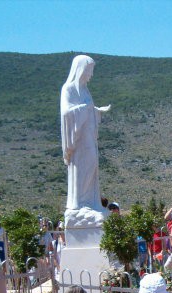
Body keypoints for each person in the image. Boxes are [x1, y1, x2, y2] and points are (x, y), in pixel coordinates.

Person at [61, 55, 110, 211]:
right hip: (79, 139)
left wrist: (96, 111)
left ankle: (90, 202)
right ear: (80, 69)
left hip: (88, 136)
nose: (91, 74)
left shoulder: (85, 90)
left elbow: (87, 108)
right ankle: (81, 202)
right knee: (84, 166)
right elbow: (66, 113)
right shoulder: (68, 89)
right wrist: (86, 108)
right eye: (89, 70)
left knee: (92, 165)